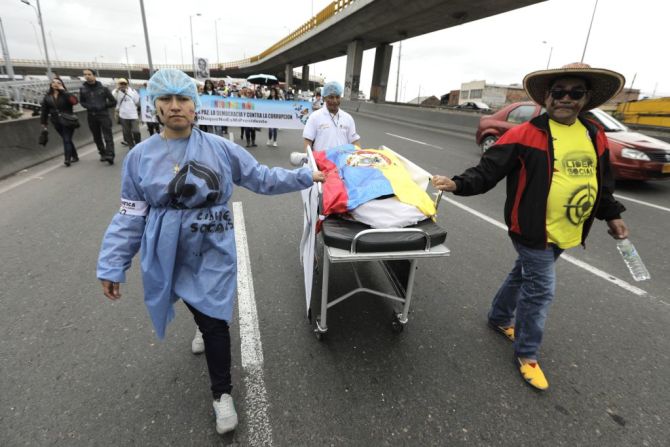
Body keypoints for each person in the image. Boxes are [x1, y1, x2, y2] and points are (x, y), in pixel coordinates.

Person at [96, 69, 325, 435]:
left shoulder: (220, 149)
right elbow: (130, 214)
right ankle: (202, 322)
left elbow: (261, 177)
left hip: (213, 244)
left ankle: (222, 395)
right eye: (166, 100)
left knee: (216, 318)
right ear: (154, 106)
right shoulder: (139, 157)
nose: (175, 107)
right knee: (195, 303)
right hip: (167, 249)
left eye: (183, 99)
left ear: (195, 105)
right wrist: (112, 264)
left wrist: (302, 177)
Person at [431, 63, 629, 391]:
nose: (565, 98)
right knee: (540, 291)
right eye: (558, 92)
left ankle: (498, 317)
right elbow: (487, 170)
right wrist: (456, 184)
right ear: (547, 97)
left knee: (521, 275)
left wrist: (612, 215)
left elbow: (601, 182)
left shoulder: (595, 135)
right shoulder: (524, 134)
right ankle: (527, 354)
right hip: (533, 230)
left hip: (568, 230)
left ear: (586, 98)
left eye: (575, 92)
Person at [303, 81, 360, 151]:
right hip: (321, 161)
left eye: (337, 97)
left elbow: (354, 141)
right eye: (331, 97)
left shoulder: (348, 118)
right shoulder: (314, 117)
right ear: (324, 98)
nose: (335, 101)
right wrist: (309, 159)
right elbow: (308, 141)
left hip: (343, 161)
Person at [40, 77, 80, 166]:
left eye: (58, 83)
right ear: (51, 85)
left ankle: (67, 159)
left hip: (68, 120)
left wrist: (64, 91)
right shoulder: (47, 97)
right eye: (53, 82)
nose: (55, 84)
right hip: (56, 122)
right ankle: (75, 156)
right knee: (67, 139)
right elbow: (44, 111)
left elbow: (75, 102)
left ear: (62, 85)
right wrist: (44, 124)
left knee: (66, 139)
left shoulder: (66, 94)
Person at [80, 68, 117, 164]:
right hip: (91, 116)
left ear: (94, 75)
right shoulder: (83, 89)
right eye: (85, 74)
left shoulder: (103, 89)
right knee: (96, 137)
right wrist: (89, 106)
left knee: (107, 136)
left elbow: (113, 101)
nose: (87, 76)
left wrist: (103, 106)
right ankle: (103, 153)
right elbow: (82, 102)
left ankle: (110, 154)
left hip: (103, 115)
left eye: (89, 74)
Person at [112, 78, 142, 150]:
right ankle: (131, 146)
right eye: (121, 84)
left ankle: (138, 144)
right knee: (127, 132)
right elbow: (113, 100)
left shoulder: (132, 91)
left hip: (133, 115)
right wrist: (117, 90)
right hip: (123, 115)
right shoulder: (115, 92)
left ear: (127, 84)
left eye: (124, 84)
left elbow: (136, 100)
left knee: (136, 131)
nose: (123, 85)